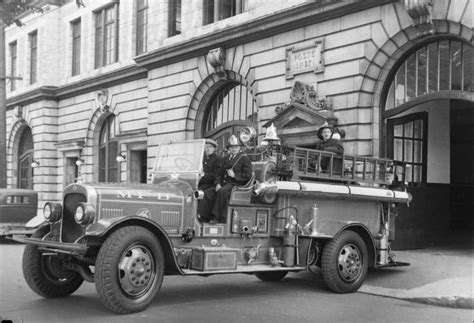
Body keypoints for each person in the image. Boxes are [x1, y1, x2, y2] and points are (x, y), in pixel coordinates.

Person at [211, 135, 252, 223]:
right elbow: (219, 173)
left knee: (222, 191)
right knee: (209, 192)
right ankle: (203, 216)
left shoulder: (244, 159)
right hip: (224, 183)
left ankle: (215, 217)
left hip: (236, 184)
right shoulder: (224, 159)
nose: (234, 149)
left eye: (236, 147)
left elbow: (247, 175)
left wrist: (235, 176)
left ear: (239, 148)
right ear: (228, 149)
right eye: (232, 147)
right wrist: (218, 183)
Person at [197, 139, 221, 222]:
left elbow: (216, 174)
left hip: (211, 184)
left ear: (214, 149)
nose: (208, 149)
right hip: (201, 183)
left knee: (204, 194)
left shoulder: (217, 159)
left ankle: (202, 216)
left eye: (210, 147)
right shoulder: (201, 159)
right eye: (206, 147)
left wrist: (203, 175)